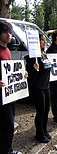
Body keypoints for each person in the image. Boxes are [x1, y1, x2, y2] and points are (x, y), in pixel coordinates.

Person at [0, 20, 22, 154]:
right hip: (1, 98)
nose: (9, 35)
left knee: (9, 125)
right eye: (5, 32)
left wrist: (21, 74)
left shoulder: (7, 50)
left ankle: (8, 149)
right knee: (6, 125)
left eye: (10, 32)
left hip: (9, 95)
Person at [25, 34, 51, 143]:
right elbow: (29, 74)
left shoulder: (44, 54)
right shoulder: (32, 57)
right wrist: (33, 68)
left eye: (45, 41)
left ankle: (44, 130)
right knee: (40, 111)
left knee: (46, 110)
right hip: (38, 87)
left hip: (46, 86)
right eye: (42, 40)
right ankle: (39, 133)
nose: (44, 43)